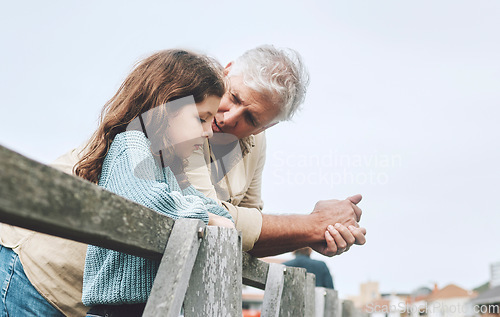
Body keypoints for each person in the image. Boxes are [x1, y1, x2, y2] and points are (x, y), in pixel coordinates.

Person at [0, 45, 366, 316]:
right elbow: (179, 206)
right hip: (40, 274)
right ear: (226, 72)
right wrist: (310, 225)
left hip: (111, 299)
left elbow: (241, 231)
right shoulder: (170, 124)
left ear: (268, 126)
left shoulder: (201, 129)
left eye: (252, 118)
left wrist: (312, 232)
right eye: (233, 97)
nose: (227, 118)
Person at [1, 49, 234, 317]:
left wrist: (213, 216)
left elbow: (217, 211)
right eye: (201, 118)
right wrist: (208, 219)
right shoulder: (131, 144)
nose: (208, 132)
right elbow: (145, 199)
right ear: (166, 107)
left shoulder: (166, 170)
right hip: (112, 310)